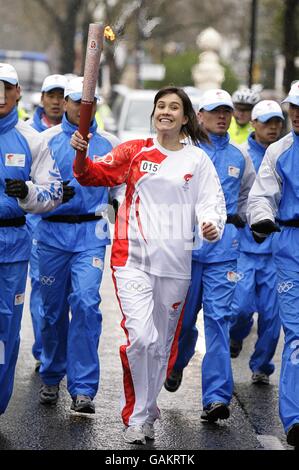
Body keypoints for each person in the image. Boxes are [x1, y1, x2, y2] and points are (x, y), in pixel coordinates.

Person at [71, 86, 227, 444]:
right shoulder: (135, 151)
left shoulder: (197, 160)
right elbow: (90, 175)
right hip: (133, 259)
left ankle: (147, 408)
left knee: (160, 346)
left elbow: (211, 204)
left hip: (175, 264)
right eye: (161, 106)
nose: (166, 111)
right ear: (154, 114)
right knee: (141, 338)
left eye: (174, 107)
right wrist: (80, 156)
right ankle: (138, 417)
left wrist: (211, 226)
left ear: (186, 117)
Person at [164, 89, 255, 423]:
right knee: (184, 323)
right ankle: (175, 364)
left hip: (223, 254)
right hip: (185, 254)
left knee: (219, 322)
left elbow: (248, 196)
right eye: (214, 111)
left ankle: (216, 397)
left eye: (226, 112)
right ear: (199, 115)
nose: (222, 117)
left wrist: (250, 219)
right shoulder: (185, 153)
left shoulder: (239, 157)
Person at [37, 76, 123, 414]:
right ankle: (51, 373)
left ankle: (83, 388)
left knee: (87, 303)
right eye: (75, 101)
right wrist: (50, 196)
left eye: (87, 102)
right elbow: (34, 186)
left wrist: (114, 206)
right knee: (53, 310)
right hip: (52, 235)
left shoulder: (110, 143)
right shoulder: (43, 141)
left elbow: (120, 187)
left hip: (91, 235)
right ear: (68, 104)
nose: (81, 108)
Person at [0, 62, 62, 415]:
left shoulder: (31, 140)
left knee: (4, 330)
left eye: (6, 87)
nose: (1, 94)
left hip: (11, 246)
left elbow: (52, 192)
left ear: (18, 92)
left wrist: (26, 192)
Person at [247, 81, 299, 449]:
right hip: (291, 245)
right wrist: (263, 217)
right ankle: (295, 419)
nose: (295, 113)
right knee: (297, 334)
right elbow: (262, 194)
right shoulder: (279, 150)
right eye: (292, 107)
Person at [229, 100, 284, 385]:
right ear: (254, 123)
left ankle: (262, 365)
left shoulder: (286, 153)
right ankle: (236, 336)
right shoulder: (240, 155)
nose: (272, 127)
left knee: (273, 317)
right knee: (240, 308)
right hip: (245, 248)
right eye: (266, 122)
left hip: (276, 249)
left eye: (277, 122)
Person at [27, 74, 67, 372]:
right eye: (51, 95)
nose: (55, 101)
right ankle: (44, 349)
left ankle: (51, 347)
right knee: (40, 287)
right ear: (42, 99)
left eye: (60, 96)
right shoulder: (28, 132)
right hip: (30, 221)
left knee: (59, 294)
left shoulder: (77, 132)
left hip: (65, 224)